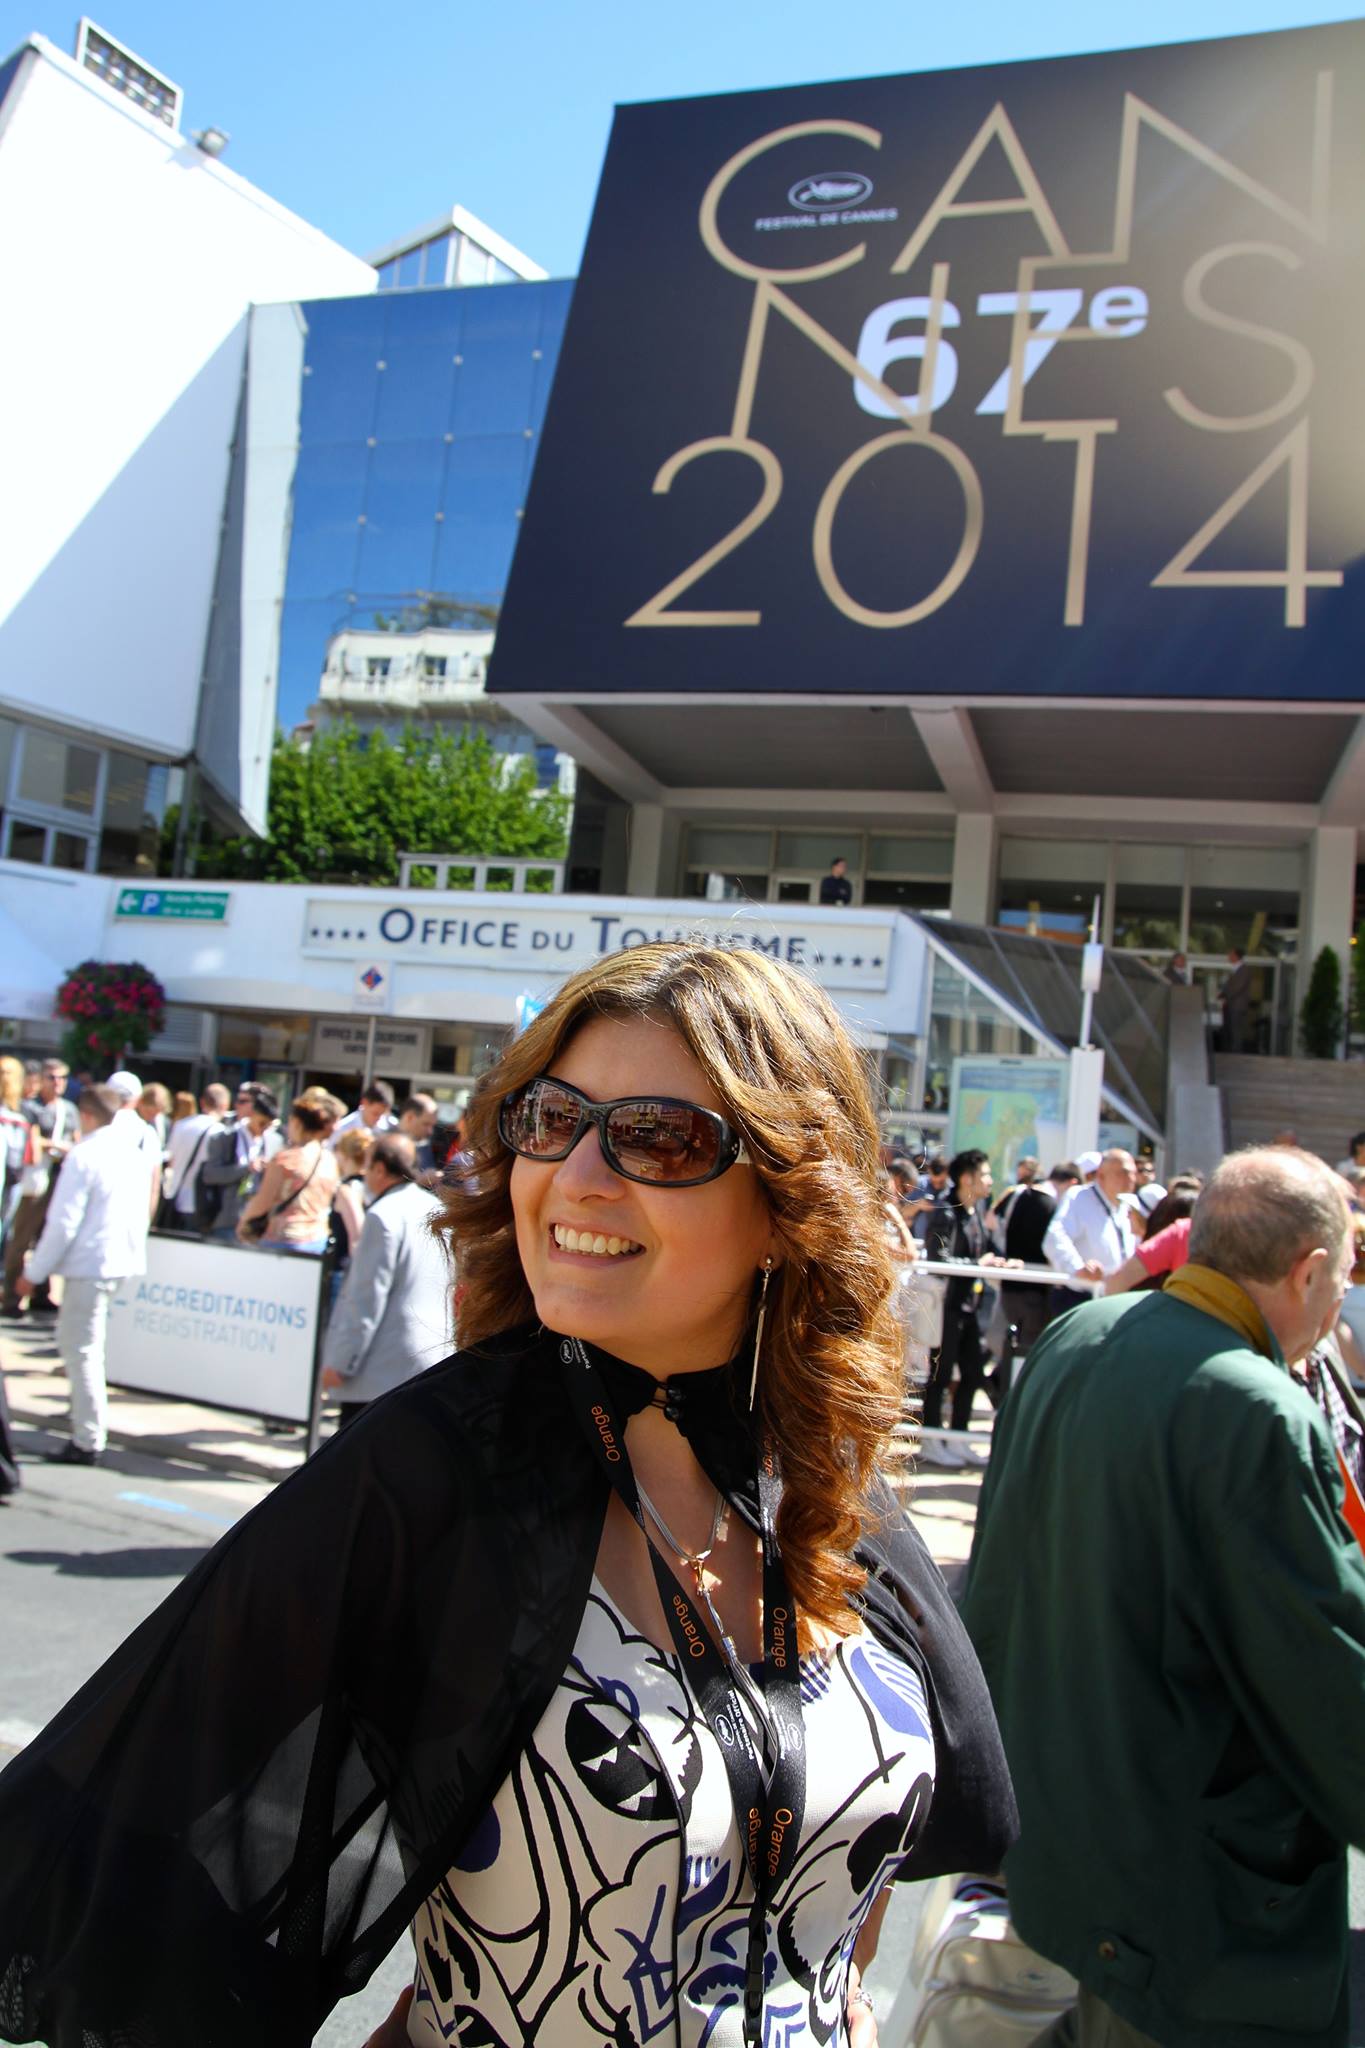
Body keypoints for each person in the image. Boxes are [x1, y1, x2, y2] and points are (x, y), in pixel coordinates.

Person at [0, 941, 1016, 2048]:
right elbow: (118, 1867)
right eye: (550, 1119)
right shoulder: (431, 1470)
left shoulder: (825, 1478)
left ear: (787, 1203)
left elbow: (870, 1855)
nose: (578, 1175)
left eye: (657, 1137)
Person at [963, 1146, 1365, 2048]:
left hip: (1062, 1840)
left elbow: (995, 1576)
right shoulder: (1255, 1408)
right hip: (1193, 1896)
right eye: (1342, 1275)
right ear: (1306, 1273)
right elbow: (1320, 1675)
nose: (1341, 1299)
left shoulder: (1080, 1337)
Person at [13, 1084, 152, 1467]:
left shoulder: (86, 1155)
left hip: (93, 1264)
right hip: (114, 1261)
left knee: (82, 1351)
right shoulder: (128, 1154)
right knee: (86, 1348)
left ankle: (88, 1437)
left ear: (87, 1115)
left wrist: (34, 1271)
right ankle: (85, 1425)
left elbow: (63, 1222)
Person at [319, 1133, 453, 1427]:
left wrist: (340, 1362)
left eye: (368, 1167)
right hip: (431, 1359)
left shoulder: (383, 1215)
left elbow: (366, 1296)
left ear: (380, 1169)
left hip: (383, 1368)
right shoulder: (436, 1209)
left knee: (358, 1467)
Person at [920, 1148, 1011, 1464]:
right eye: (985, 1174)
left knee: (972, 1372)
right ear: (967, 1178)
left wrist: (1000, 1259)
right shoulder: (946, 1211)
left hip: (970, 1306)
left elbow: (986, 1250)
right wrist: (977, 1263)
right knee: (940, 1374)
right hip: (947, 1306)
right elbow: (938, 1258)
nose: (990, 1180)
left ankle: (957, 1435)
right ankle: (931, 1438)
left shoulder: (977, 1212)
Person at [1, 1058, 78, 1317]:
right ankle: (12, 1297)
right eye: (52, 1077)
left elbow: (77, 1141)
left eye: (62, 1078)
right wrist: (51, 1144)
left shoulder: (69, 1110)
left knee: (50, 1237)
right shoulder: (28, 1108)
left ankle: (41, 1294)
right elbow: (30, 1143)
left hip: (61, 1181)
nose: (57, 1083)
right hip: (34, 1182)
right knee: (21, 1240)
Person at [235, 1089, 340, 1252]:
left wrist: (243, 1224)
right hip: (318, 1238)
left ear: (297, 1123)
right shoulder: (329, 1159)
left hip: (284, 1238)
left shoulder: (285, 1160)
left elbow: (263, 1201)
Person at [197, 1084, 283, 1238]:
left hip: (257, 1224)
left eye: (269, 1125)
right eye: (261, 1123)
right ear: (252, 1114)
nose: (264, 1129)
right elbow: (209, 1175)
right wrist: (246, 1168)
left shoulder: (274, 1141)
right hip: (226, 1220)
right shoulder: (225, 1138)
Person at [1043, 1147, 1137, 1285]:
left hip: (1112, 1293)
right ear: (1101, 1175)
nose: (1131, 1179)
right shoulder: (1079, 1197)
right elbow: (1054, 1237)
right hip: (1083, 1293)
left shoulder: (1125, 1204)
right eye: (1123, 1173)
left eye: (1134, 1173)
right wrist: (1078, 1268)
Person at [161, 1082, 231, 1231]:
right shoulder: (221, 1133)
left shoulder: (181, 1125)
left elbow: (170, 1160)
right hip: (201, 1204)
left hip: (175, 1197)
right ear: (225, 1106)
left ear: (202, 1102)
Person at [328, 1125, 373, 1265]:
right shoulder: (369, 1185)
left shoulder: (347, 1190)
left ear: (343, 1155)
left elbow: (357, 1235)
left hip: (344, 1269)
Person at [330, 1078, 397, 1148]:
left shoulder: (392, 1127)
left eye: (382, 1114)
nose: (379, 1118)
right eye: (375, 1113)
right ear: (364, 1103)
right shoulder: (342, 1129)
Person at [1219, 945, 1254, 1052]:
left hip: (1237, 1006)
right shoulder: (1235, 970)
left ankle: (1236, 1053)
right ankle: (1231, 1050)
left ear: (1236, 956)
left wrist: (1225, 995)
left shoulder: (1244, 970)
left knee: (1236, 1030)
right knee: (1231, 1029)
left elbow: (1237, 987)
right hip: (1232, 1005)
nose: (1228, 956)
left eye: (1231, 954)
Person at [396, 1091, 438, 1176]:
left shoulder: (424, 1144)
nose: (430, 1131)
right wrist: (420, 1181)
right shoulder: (384, 1140)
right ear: (410, 1117)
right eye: (426, 1124)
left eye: (432, 1126)